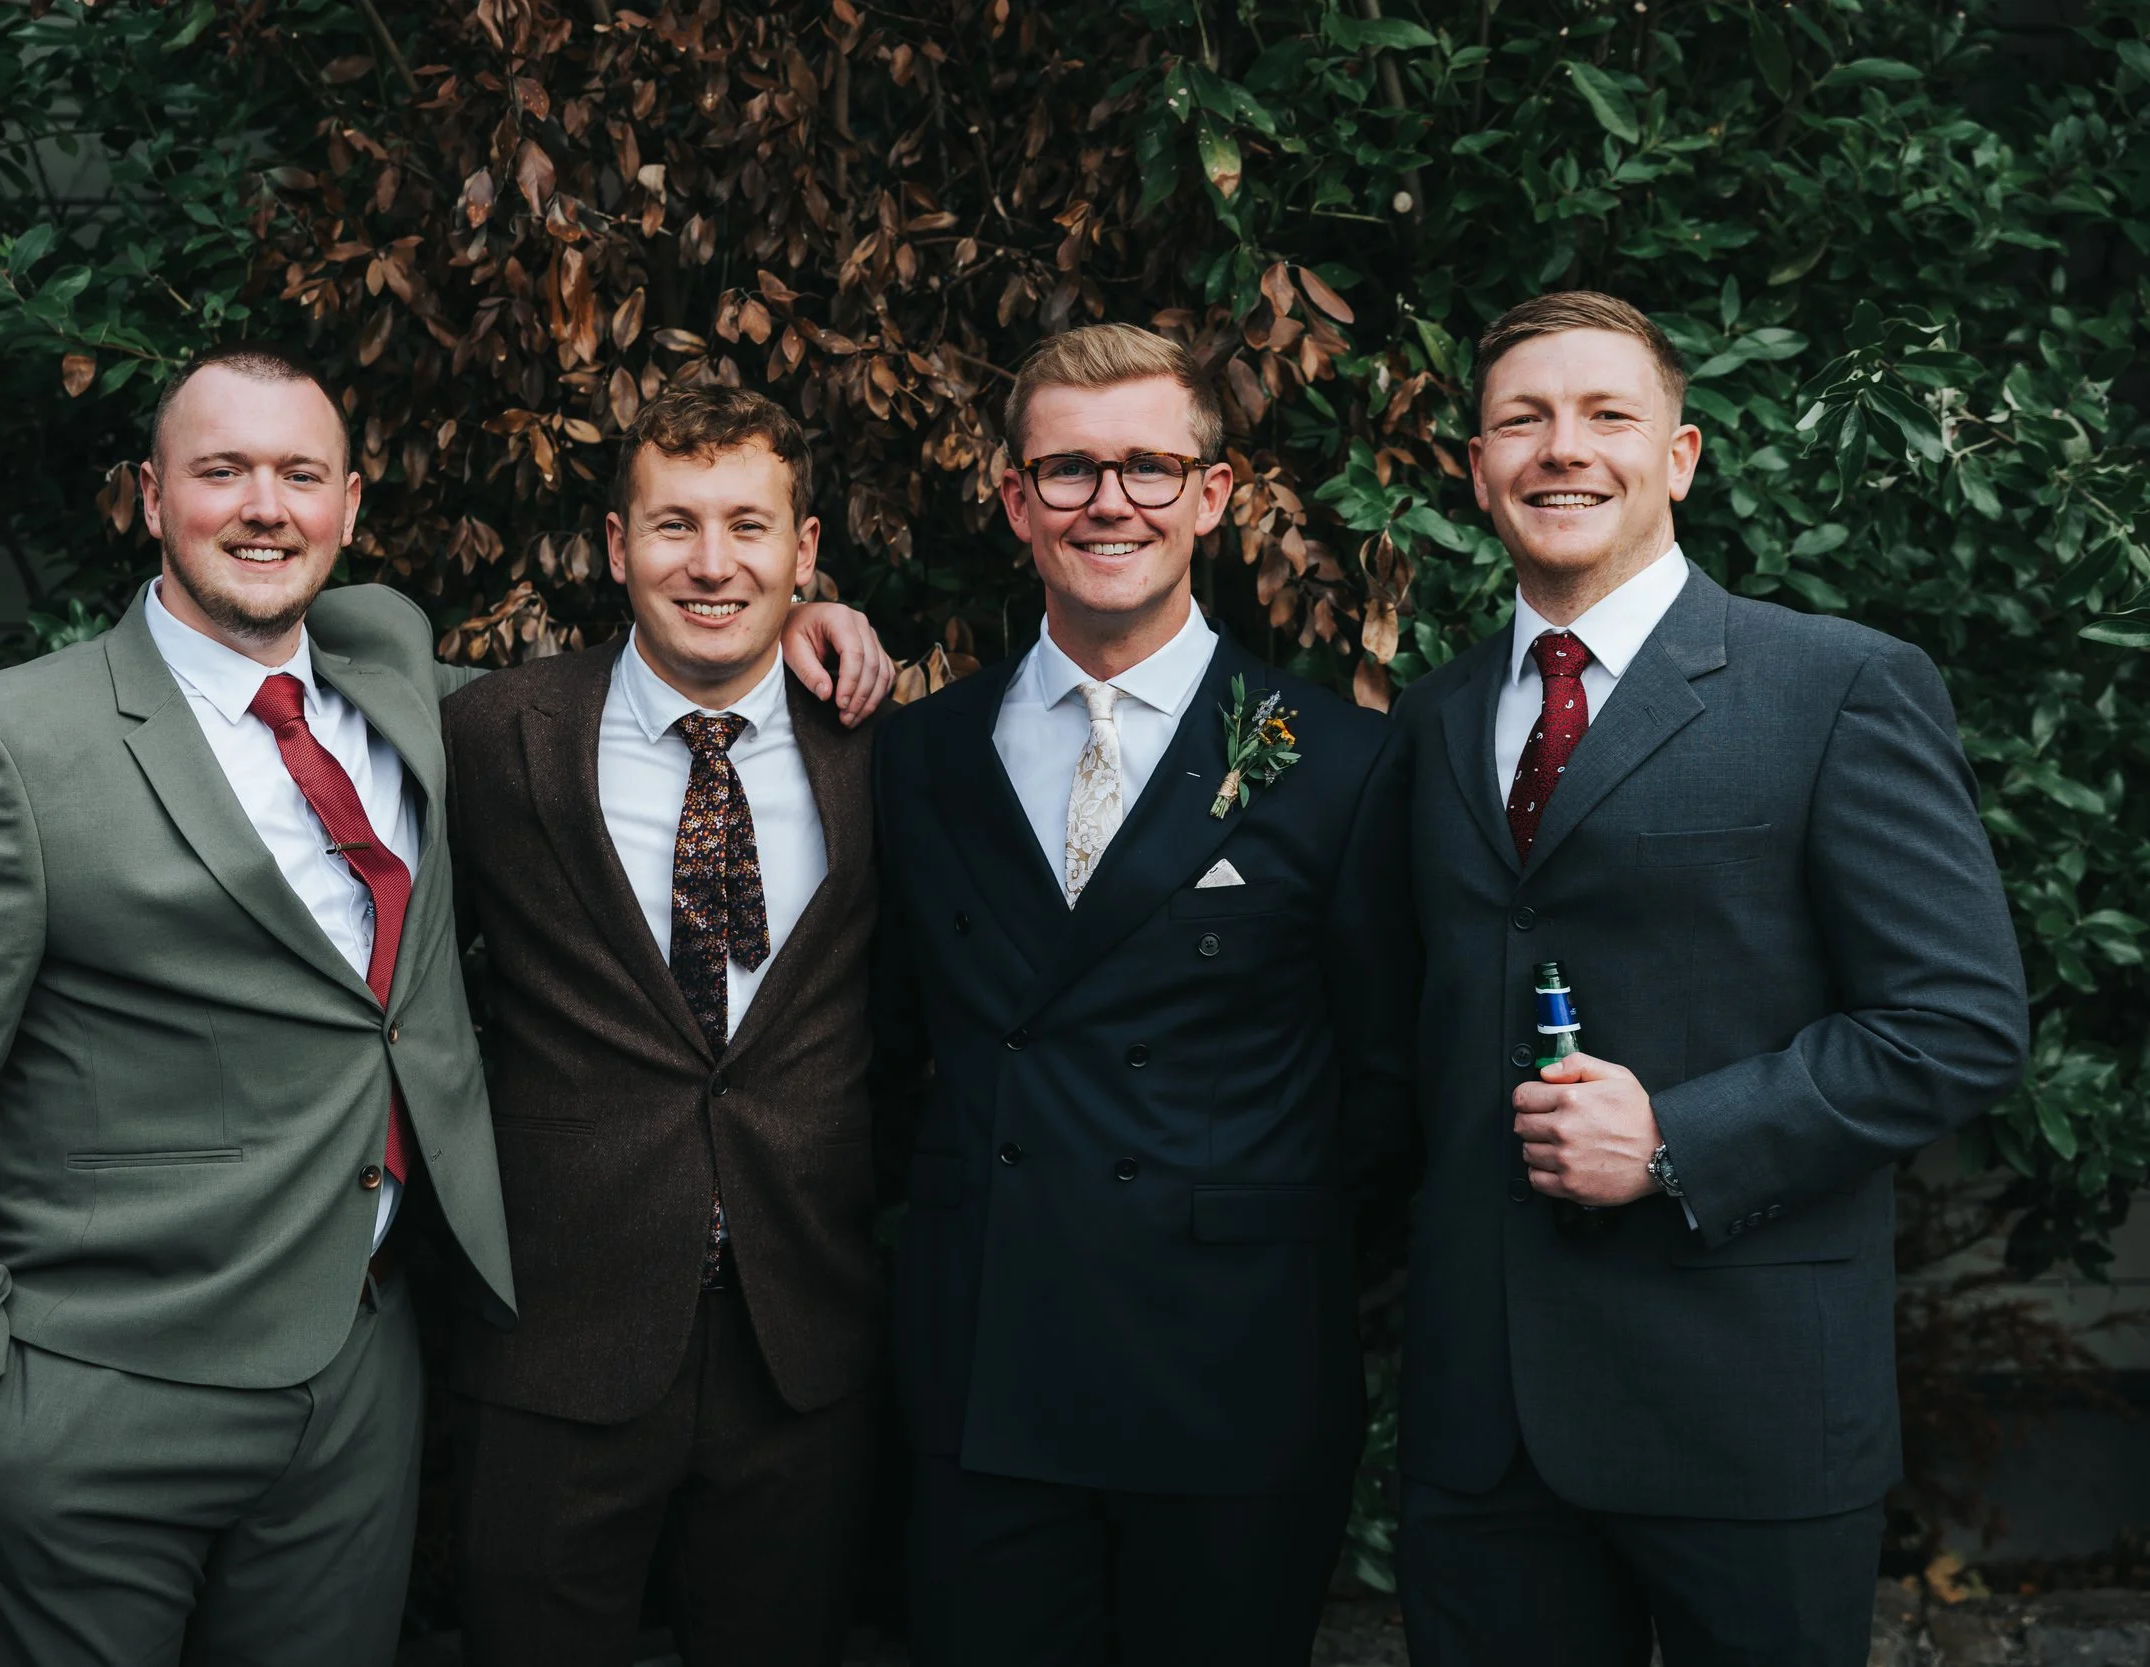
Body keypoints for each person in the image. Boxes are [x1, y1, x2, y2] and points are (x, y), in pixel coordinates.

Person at [0, 343, 891, 1666]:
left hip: (357, 1381)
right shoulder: (10, 743)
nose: (265, 504)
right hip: (92, 1388)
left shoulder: (407, 701)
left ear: (350, 507)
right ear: (149, 498)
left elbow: (661, 671)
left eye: (301, 473)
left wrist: (796, 622)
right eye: (222, 471)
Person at [1388, 291, 2030, 1666]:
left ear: (1679, 455)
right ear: (1479, 463)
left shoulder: (1835, 685)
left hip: (1747, 1404)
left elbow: (1959, 1023)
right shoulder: (1434, 718)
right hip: (1483, 1429)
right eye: (1523, 418)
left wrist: (1679, 1136)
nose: (1564, 448)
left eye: (1608, 415)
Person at [870, 322, 1416, 1665]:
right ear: (1015, 499)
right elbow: (881, 1056)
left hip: (1230, 1371)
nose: (1109, 501)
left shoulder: (1337, 760)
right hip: (983, 1367)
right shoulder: (917, 752)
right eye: (1067, 469)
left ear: (1213, 496)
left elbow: (1389, 1080)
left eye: (1150, 468)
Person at [440, 385, 884, 1664]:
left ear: (804, 554)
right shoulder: (493, 736)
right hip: (557, 1331)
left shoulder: (882, 749)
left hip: (799, 1330)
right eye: (673, 523)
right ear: (615, 543)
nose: (710, 562)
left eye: (749, 525)